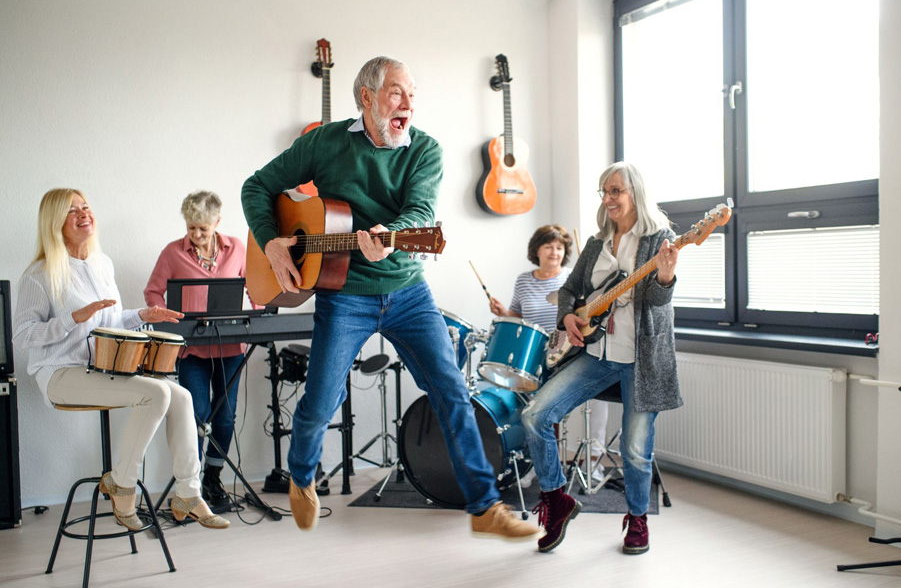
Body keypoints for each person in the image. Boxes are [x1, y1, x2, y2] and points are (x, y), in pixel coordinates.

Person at [241, 55, 541, 540]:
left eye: (412, 95)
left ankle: (485, 507)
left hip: (407, 291)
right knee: (320, 400)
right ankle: (300, 477)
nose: (409, 104)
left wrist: (393, 233)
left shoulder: (425, 150)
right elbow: (257, 186)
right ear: (367, 98)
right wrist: (272, 239)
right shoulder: (323, 143)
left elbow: (421, 209)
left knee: (450, 390)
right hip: (344, 295)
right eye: (397, 93)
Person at [13, 188, 229, 530]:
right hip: (60, 375)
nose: (84, 214)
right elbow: (22, 336)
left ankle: (188, 492)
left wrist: (143, 313)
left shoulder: (102, 264)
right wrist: (73, 318)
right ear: (55, 223)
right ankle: (122, 482)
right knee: (156, 392)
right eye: (72, 211)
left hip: (98, 370)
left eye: (86, 206)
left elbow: (109, 321)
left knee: (181, 395)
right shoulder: (39, 276)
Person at [522, 162, 680, 555]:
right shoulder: (597, 243)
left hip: (641, 359)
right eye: (604, 192)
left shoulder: (659, 239)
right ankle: (557, 501)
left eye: (615, 191)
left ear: (635, 194)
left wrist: (664, 276)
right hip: (596, 353)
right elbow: (569, 290)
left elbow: (659, 304)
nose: (608, 199)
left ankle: (637, 521)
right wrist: (569, 316)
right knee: (535, 415)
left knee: (634, 450)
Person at [144, 190, 249, 509]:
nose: (197, 234)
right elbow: (152, 292)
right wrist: (166, 317)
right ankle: (190, 485)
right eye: (191, 227)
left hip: (231, 346)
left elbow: (255, 286)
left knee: (226, 416)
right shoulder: (172, 253)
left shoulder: (238, 248)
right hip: (190, 349)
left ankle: (213, 479)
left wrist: (259, 312)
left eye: (203, 227)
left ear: (217, 222)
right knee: (197, 415)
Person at [489, 224, 609, 483]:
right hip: (537, 357)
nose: (554, 252)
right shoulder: (523, 280)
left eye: (559, 247)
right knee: (532, 411)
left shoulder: (572, 278)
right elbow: (519, 317)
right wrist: (503, 313)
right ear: (537, 250)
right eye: (548, 246)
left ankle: (595, 463)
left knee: (597, 404)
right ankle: (535, 466)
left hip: (572, 351)